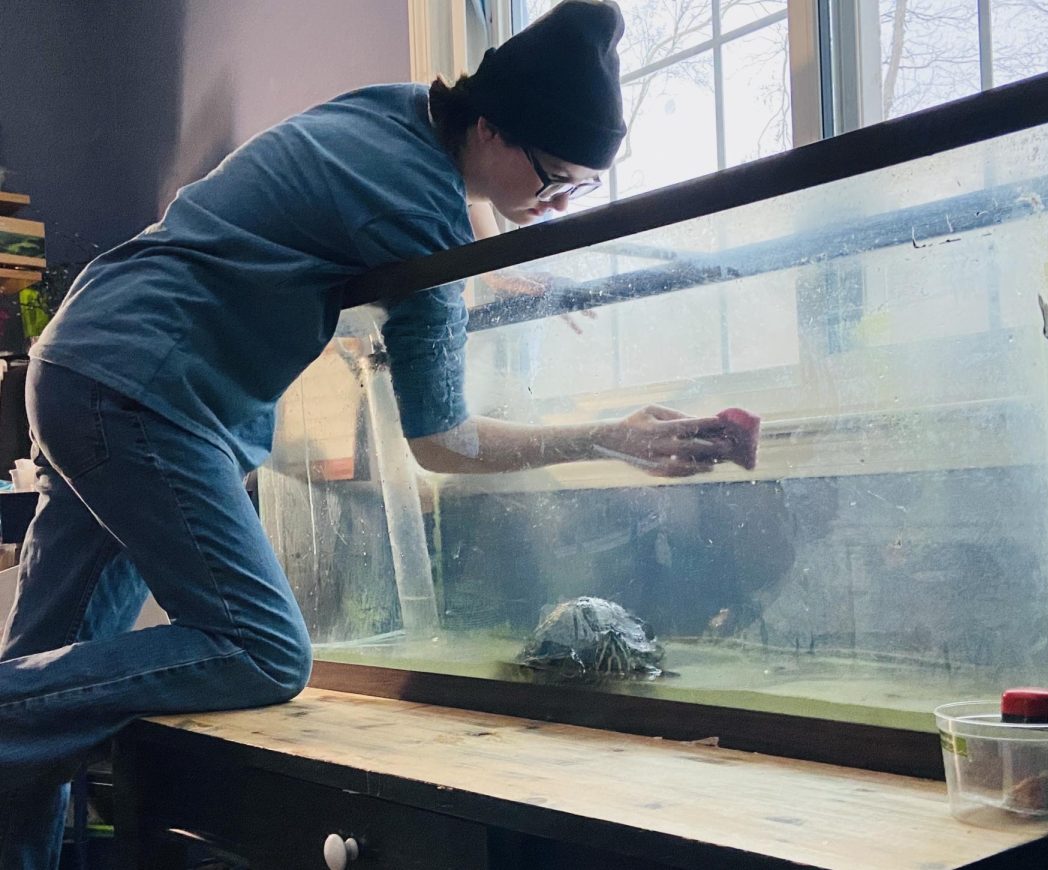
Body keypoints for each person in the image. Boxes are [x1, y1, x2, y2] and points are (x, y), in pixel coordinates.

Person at [0, 2, 738, 867]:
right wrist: (604, 438)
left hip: (87, 361)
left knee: (48, 693)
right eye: (553, 180)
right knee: (263, 649)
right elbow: (442, 441)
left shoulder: (394, 112)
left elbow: (368, 234)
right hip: (149, 393)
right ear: (493, 129)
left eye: (578, 190)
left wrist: (486, 278)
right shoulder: (422, 210)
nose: (557, 203)